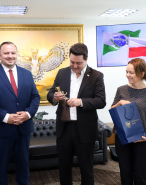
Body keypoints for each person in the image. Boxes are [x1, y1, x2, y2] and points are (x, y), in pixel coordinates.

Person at [0, 41, 40, 185]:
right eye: (6, 53)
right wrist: (6, 117)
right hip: (0, 129)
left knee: (23, 164)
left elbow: (35, 97)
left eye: (13, 53)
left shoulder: (26, 74)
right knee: (0, 166)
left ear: (17, 54)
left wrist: (28, 114)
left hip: (23, 128)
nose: (10, 56)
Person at [47, 43, 106, 185]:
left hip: (85, 129)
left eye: (78, 63)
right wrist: (54, 97)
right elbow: (50, 93)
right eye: (72, 62)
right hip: (64, 128)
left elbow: (101, 101)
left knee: (86, 168)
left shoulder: (96, 76)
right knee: (64, 168)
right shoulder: (62, 73)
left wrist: (81, 102)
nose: (74, 66)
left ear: (86, 59)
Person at [111, 58, 146, 185]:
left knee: (140, 175)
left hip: (142, 139)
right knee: (125, 173)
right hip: (123, 137)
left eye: (131, 73)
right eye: (126, 72)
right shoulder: (121, 90)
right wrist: (120, 103)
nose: (128, 75)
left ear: (141, 74)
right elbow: (113, 110)